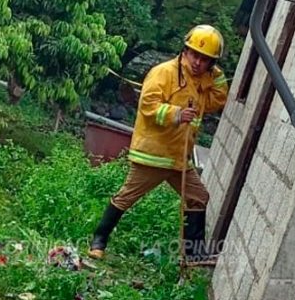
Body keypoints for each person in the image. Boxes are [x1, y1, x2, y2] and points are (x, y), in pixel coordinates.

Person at [89, 25, 229, 262]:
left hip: (178, 158)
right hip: (153, 155)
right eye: (194, 54)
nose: (197, 62)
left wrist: (216, 74)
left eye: (204, 59)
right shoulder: (163, 72)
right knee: (126, 197)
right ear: (184, 51)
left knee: (198, 197)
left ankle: (193, 255)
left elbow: (218, 99)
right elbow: (148, 105)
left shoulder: (202, 82)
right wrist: (176, 114)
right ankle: (99, 240)